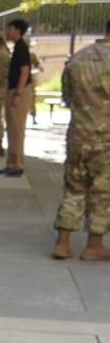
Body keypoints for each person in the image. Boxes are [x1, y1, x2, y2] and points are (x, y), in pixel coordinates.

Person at [52, 20, 110, 261]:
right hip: (106, 138)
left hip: (78, 134)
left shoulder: (77, 59)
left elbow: (67, 97)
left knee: (73, 187)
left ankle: (63, 243)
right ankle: (94, 245)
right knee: (102, 191)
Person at [2, 18, 34, 177]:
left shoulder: (22, 48)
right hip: (13, 89)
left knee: (16, 129)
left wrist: (18, 94)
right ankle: (11, 162)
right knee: (11, 128)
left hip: (18, 91)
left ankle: (17, 164)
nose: (7, 31)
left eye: (10, 28)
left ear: (16, 29)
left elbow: (25, 71)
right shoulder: (18, 47)